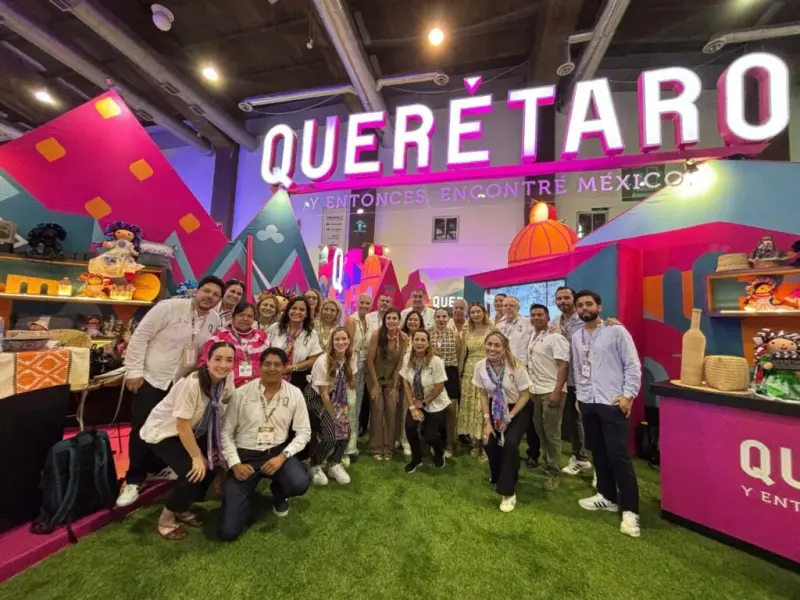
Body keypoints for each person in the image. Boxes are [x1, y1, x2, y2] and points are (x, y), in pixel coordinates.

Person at [117, 275, 224, 508]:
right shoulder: (168, 307)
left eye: (216, 295)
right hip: (152, 378)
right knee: (142, 428)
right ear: (197, 291)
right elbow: (140, 337)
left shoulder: (214, 320)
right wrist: (134, 371)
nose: (210, 297)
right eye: (206, 291)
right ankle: (134, 479)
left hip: (180, 385)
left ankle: (158, 468)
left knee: (171, 428)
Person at [140, 342, 235, 539]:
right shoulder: (192, 383)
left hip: (195, 430)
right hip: (165, 432)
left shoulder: (227, 378)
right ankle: (166, 520)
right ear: (207, 360)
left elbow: (225, 402)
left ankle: (182, 508)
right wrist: (196, 457)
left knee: (212, 464)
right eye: (218, 359)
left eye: (229, 360)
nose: (223, 365)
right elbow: (181, 425)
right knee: (192, 472)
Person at [218, 348, 311, 541]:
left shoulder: (294, 393)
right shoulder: (241, 393)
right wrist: (235, 464)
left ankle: (279, 491)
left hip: (276, 453)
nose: (272, 368)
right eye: (267, 364)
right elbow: (225, 432)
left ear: (285, 368)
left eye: (277, 365)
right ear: (259, 366)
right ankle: (243, 498)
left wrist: (282, 457)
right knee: (228, 532)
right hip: (246, 456)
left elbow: (304, 432)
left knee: (299, 483)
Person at [572, 290, 642, 538]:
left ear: (599, 307)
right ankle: (607, 496)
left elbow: (632, 365)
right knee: (598, 452)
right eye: (580, 305)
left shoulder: (616, 331)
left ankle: (631, 511)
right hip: (588, 401)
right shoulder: (577, 336)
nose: (584, 308)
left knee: (618, 456)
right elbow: (578, 368)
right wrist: (580, 396)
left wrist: (628, 395)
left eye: (588, 304)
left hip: (612, 402)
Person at [473, 331, 533, 513]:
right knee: (489, 442)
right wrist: (487, 421)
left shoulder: (516, 366)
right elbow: (483, 394)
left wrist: (509, 417)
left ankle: (508, 492)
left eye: (497, 345)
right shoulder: (480, 366)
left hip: (518, 408)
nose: (492, 348)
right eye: (489, 344)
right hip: (496, 407)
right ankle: (499, 476)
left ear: (504, 347)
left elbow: (525, 395)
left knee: (510, 443)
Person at [527, 304, 570, 491]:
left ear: (547, 317)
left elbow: (563, 366)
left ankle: (554, 473)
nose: (536, 317)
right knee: (540, 430)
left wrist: (557, 391)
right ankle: (546, 463)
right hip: (535, 390)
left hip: (551, 390)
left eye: (540, 314)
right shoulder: (534, 336)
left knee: (552, 433)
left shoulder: (556, 338)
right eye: (533, 315)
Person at [551, 286, 592, 477]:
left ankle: (588, 460)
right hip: (563, 378)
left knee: (585, 420)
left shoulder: (584, 320)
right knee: (572, 420)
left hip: (582, 379)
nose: (563, 301)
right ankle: (579, 457)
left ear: (573, 299)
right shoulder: (555, 321)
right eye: (559, 298)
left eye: (566, 297)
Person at [307, 327, 356, 485]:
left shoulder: (351, 357)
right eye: (337, 339)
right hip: (319, 398)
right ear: (331, 342)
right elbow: (324, 394)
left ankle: (334, 464)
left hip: (338, 397)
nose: (341, 342)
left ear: (349, 341)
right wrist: (334, 415)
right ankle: (315, 464)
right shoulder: (323, 361)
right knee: (331, 434)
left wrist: (347, 405)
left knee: (346, 432)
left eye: (344, 339)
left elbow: (349, 382)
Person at [498, 296, 539, 469]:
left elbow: (540, 334)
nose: (508, 308)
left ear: (518, 307)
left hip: (523, 373)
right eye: (505, 305)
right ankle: (506, 445)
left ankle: (533, 453)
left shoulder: (527, 323)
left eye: (511, 305)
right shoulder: (499, 325)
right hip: (503, 373)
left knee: (528, 415)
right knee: (505, 409)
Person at [400, 330, 450, 473]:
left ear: (428, 343)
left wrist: (423, 403)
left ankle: (439, 452)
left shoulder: (436, 361)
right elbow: (406, 383)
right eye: (417, 339)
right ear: (412, 341)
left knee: (430, 436)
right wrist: (412, 407)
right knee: (410, 427)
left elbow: (439, 387)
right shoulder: (407, 358)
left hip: (435, 402)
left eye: (423, 340)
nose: (419, 343)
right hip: (416, 401)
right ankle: (416, 459)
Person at [366, 308, 407, 460]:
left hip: (392, 380)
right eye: (388, 318)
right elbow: (370, 360)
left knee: (391, 409)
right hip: (374, 377)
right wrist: (375, 385)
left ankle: (389, 448)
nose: (391, 321)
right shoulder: (377, 334)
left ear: (399, 320)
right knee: (378, 409)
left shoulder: (403, 338)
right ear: (385, 320)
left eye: (394, 318)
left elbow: (400, 365)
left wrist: (395, 387)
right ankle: (376, 448)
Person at [199, 302, 269, 388]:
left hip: (260, 386)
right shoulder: (220, 337)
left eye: (250, 316)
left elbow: (270, 361)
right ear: (233, 316)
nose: (245, 319)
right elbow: (204, 363)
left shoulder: (262, 337)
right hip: (227, 388)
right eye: (241, 315)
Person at [458, 303, 492, 460]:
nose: (476, 314)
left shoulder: (492, 329)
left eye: (478, 311)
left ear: (484, 313)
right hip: (470, 371)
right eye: (472, 312)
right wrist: (460, 372)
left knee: (482, 408)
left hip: (487, 369)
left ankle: (486, 445)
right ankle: (475, 443)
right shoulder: (467, 330)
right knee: (471, 406)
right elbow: (462, 353)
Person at [267, 297, 323, 389]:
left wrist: (293, 367)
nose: (297, 312)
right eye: (294, 308)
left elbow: (313, 359)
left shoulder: (311, 334)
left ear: (306, 314)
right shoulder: (275, 328)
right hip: (271, 373)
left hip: (297, 378)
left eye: (302, 310)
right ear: (288, 310)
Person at [429, 307, 461, 457]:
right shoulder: (428, 332)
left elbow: (459, 354)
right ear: (434, 318)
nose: (441, 319)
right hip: (434, 373)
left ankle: (450, 443)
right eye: (438, 316)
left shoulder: (454, 334)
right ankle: (435, 441)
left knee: (450, 409)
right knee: (434, 409)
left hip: (450, 372)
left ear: (448, 318)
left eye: (444, 316)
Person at [345, 293, 372, 457]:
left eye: (367, 303)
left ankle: (352, 442)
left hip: (363, 367)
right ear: (357, 303)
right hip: (352, 367)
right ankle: (346, 444)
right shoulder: (351, 320)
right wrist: (351, 373)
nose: (364, 306)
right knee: (350, 405)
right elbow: (347, 348)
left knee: (358, 405)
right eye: (362, 302)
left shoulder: (369, 321)